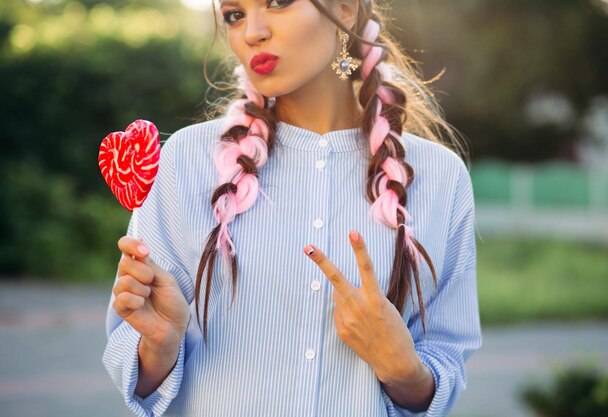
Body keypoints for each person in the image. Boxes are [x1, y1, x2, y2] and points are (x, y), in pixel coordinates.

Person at [102, 0, 482, 416]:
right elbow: (131, 364)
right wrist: (159, 345)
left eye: (278, 2)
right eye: (234, 14)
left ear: (345, 8)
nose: (252, 32)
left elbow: (447, 359)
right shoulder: (186, 162)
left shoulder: (440, 177)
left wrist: (404, 370)